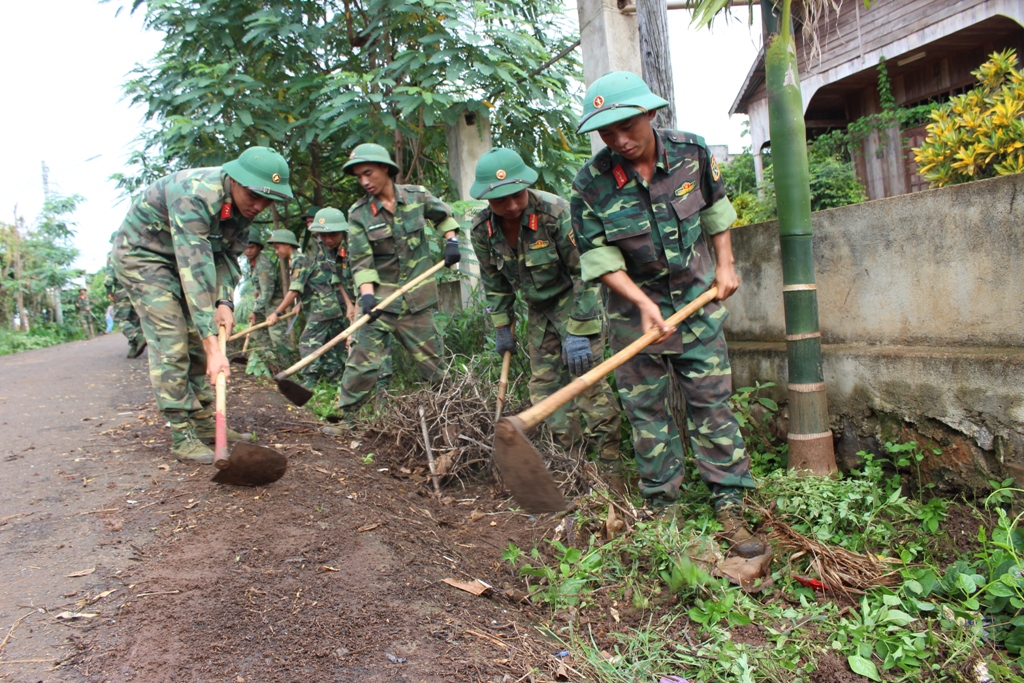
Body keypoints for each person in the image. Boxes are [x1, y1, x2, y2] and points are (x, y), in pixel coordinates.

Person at [569, 72, 765, 557]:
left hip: (697, 305)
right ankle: (662, 508)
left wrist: (726, 265)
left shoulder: (692, 152)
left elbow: (718, 212)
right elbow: (599, 259)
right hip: (633, 315)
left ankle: (730, 505)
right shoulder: (590, 184)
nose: (619, 140)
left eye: (627, 126)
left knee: (711, 405)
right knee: (647, 414)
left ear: (651, 113)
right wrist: (642, 304)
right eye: (606, 133)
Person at [111, 146, 293, 463]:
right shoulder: (194, 196)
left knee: (197, 335)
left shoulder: (242, 211)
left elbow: (224, 258)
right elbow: (194, 272)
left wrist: (224, 302)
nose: (260, 206)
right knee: (171, 337)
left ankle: (205, 423)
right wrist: (214, 350)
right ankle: (181, 432)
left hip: (184, 258)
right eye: (255, 196)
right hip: (143, 256)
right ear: (235, 180)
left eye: (269, 200)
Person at [468, 148, 621, 461]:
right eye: (500, 200)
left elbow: (586, 273)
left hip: (576, 300)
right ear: (486, 199)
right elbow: (494, 283)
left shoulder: (556, 212)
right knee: (544, 390)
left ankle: (610, 466)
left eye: (516, 195)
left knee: (587, 383)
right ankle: (571, 463)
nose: (510, 206)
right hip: (538, 310)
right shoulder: (482, 230)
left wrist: (579, 330)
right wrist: (502, 326)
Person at [327, 143, 461, 426]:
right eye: (358, 177)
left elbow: (443, 215)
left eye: (368, 173)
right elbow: (361, 262)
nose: (364, 181)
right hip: (380, 301)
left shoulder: (416, 196)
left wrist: (451, 240)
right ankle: (346, 421)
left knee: (434, 366)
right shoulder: (359, 214)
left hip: (417, 301)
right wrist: (366, 298)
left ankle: (453, 418)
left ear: (385, 168)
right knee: (363, 363)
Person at [266, 209, 348, 389]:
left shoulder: (299, 260)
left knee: (307, 341)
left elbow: (294, 290)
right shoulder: (300, 260)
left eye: (278, 247)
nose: (277, 251)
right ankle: (335, 380)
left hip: (323, 306)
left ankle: (309, 380)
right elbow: (309, 286)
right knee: (326, 344)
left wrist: (277, 312)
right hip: (325, 305)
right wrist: (300, 306)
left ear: (287, 245)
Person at [244, 234, 297, 370]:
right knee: (259, 333)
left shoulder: (263, 264)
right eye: (246, 248)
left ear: (259, 248)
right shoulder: (252, 263)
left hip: (274, 303)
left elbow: (267, 292)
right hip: (263, 302)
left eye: (251, 247)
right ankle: (271, 364)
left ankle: (288, 367)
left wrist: (255, 310)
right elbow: (260, 289)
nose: (248, 251)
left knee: (277, 337)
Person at [104, 250, 147, 358]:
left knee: (120, 319)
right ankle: (134, 347)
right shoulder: (135, 251)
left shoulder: (114, 253)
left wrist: (109, 290)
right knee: (135, 319)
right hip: (139, 290)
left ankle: (137, 337)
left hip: (123, 291)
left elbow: (110, 274)